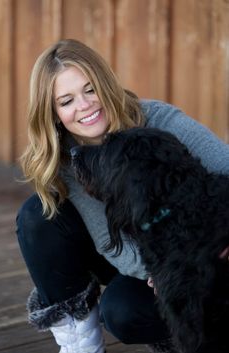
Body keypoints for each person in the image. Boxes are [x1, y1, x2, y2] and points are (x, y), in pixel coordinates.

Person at [16, 39, 229, 353]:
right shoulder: (65, 159)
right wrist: (168, 269)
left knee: (123, 310)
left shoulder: (158, 121)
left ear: (106, 84)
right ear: (54, 112)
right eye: (67, 100)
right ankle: (81, 345)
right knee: (37, 215)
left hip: (195, 252)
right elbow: (108, 242)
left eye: (90, 89)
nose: (85, 105)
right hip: (138, 258)